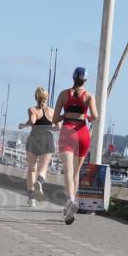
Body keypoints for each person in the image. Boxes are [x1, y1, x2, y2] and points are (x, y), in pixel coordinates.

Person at [53, 67, 99, 225]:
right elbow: (95, 116)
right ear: (85, 80)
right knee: (76, 172)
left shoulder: (63, 94)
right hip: (83, 133)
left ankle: (70, 200)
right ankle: (71, 205)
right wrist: (86, 116)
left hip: (67, 131)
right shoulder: (89, 96)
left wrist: (66, 114)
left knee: (68, 171)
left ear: (73, 77)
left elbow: (54, 119)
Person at [18, 86, 58, 206]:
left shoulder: (32, 110)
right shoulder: (52, 111)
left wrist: (23, 126)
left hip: (34, 139)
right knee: (43, 168)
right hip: (48, 139)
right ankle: (40, 181)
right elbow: (59, 127)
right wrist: (49, 127)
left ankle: (31, 199)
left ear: (36, 97)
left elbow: (32, 121)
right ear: (46, 97)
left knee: (32, 168)